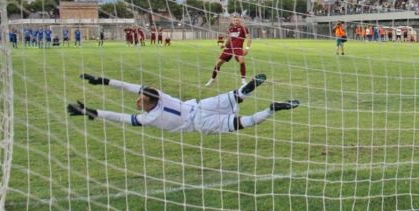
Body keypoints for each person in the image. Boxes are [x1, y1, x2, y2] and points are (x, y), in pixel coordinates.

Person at [68, 73, 299, 134]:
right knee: (236, 96)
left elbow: (120, 117)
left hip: (201, 121)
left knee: (243, 123)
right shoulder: (160, 95)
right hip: (200, 105)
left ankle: (270, 109)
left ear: (147, 103)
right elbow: (129, 87)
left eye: (140, 99)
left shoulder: (150, 118)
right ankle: (249, 90)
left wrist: (92, 111)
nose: (137, 100)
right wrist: (102, 81)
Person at [206, 13, 250, 86]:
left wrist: (247, 48)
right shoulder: (230, 29)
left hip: (237, 48)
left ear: (240, 21)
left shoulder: (244, 28)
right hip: (229, 48)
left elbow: (249, 39)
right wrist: (222, 45)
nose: (236, 21)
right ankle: (212, 79)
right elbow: (226, 38)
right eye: (234, 20)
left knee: (241, 60)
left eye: (237, 20)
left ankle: (243, 80)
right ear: (232, 21)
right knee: (218, 63)